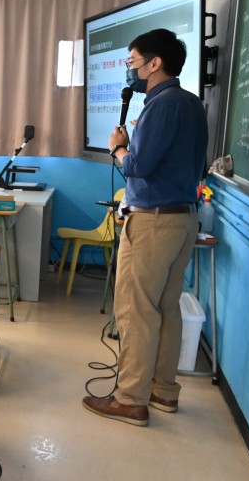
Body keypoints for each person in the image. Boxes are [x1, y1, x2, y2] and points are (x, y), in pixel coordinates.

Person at [83, 28, 208, 426]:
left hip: (153, 222)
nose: (129, 71)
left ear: (155, 64)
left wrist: (120, 145)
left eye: (132, 63)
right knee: (165, 308)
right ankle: (162, 390)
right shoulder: (190, 103)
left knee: (136, 311)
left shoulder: (161, 104)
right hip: (184, 218)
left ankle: (130, 399)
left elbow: (136, 166)